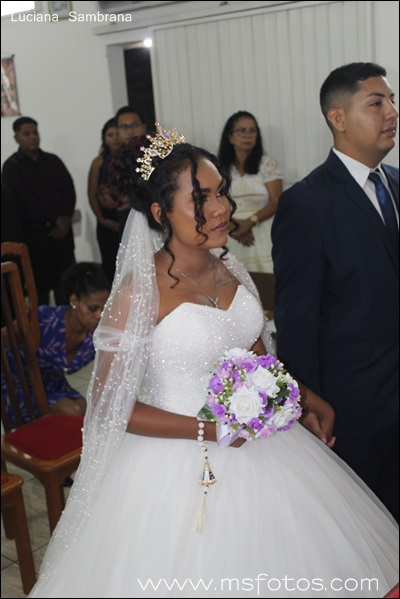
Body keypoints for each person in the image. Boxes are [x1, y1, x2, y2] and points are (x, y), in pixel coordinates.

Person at [29, 126, 398, 599]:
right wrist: (211, 429)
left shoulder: (228, 266)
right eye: (201, 199)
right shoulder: (139, 293)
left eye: (221, 191)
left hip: (265, 448)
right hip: (176, 461)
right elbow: (109, 406)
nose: (222, 207)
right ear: (161, 213)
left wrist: (301, 397)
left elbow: (257, 354)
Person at [272, 62, 399, 521]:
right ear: (338, 117)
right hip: (353, 409)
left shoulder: (396, 183)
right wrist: (305, 403)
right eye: (376, 103)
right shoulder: (307, 203)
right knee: (367, 531)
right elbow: (297, 318)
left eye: (391, 101)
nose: (392, 112)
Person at [1, 262, 111, 425]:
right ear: (74, 300)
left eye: (104, 309)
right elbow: (4, 337)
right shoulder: (44, 319)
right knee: (72, 412)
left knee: (88, 413)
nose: (99, 316)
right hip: (18, 383)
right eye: (93, 308)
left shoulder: (95, 336)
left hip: (52, 383)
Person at [1, 116, 76, 304]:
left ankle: (66, 320)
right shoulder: (11, 167)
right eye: (26, 134)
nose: (32, 137)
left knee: (66, 284)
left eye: (35, 132)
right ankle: (42, 321)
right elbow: (23, 200)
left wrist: (65, 218)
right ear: (16, 138)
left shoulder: (53, 160)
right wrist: (54, 219)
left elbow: (69, 189)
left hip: (62, 234)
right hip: (35, 236)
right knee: (39, 288)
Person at [218, 111, 283, 272]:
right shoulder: (219, 167)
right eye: (242, 130)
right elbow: (213, 201)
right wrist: (233, 226)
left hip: (261, 234)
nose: (248, 135)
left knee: (266, 281)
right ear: (230, 137)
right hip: (230, 233)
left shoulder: (266, 163)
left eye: (252, 131)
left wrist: (249, 222)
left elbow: (276, 201)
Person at [98, 106, 147, 237]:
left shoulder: (158, 154)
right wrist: (111, 199)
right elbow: (104, 195)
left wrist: (135, 200)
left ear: (144, 126)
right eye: (124, 127)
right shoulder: (113, 160)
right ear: (118, 131)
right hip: (128, 225)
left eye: (135, 125)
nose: (130, 131)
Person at [87, 118, 121, 282]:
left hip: (126, 217)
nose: (114, 138)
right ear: (104, 138)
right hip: (106, 221)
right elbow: (92, 193)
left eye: (117, 134)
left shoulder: (130, 159)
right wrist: (101, 219)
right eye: (110, 135)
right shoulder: (98, 162)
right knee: (110, 265)